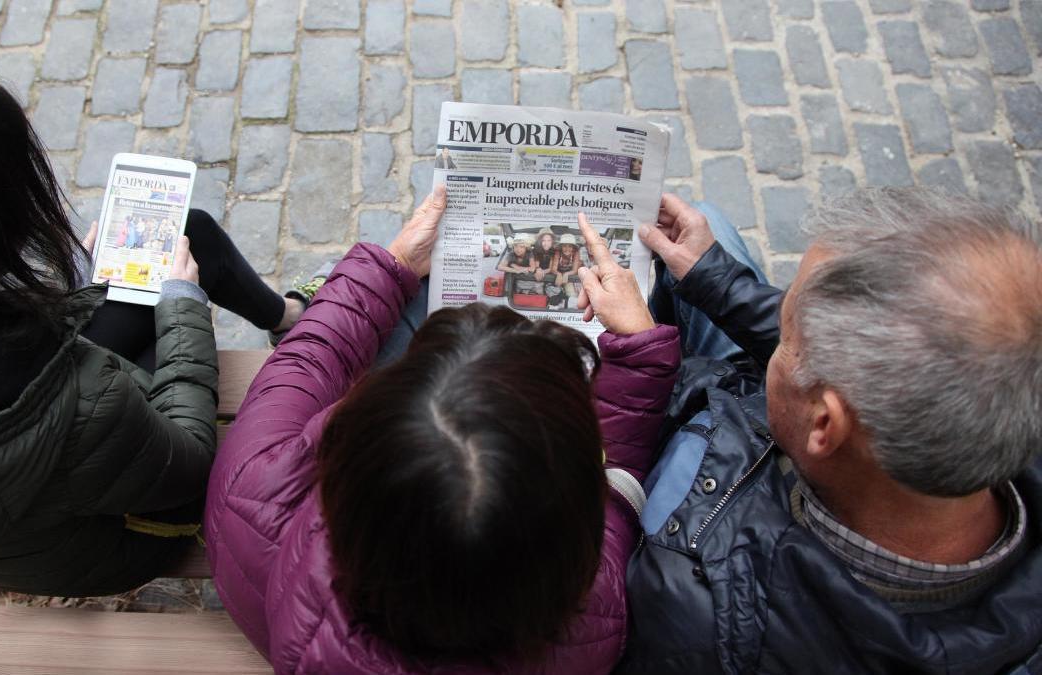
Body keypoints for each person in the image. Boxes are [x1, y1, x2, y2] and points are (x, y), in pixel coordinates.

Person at [0, 53, 300, 596]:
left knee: (184, 234)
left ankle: (286, 317)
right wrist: (184, 303)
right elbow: (190, 460)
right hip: (118, 540)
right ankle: (296, 324)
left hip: (8, 534)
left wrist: (77, 296)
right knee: (175, 275)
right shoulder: (69, 404)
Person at [204, 192, 683, 673]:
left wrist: (391, 267)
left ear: (352, 439)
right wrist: (640, 355)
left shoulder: (255, 495)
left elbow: (305, 362)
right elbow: (613, 513)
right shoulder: (588, 632)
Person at [617, 189, 1042, 673]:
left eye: (787, 330)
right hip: (752, 411)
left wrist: (635, 374)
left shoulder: (697, 614)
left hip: (688, 460)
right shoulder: (1012, 376)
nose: (780, 326)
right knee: (708, 222)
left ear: (825, 423)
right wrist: (716, 279)